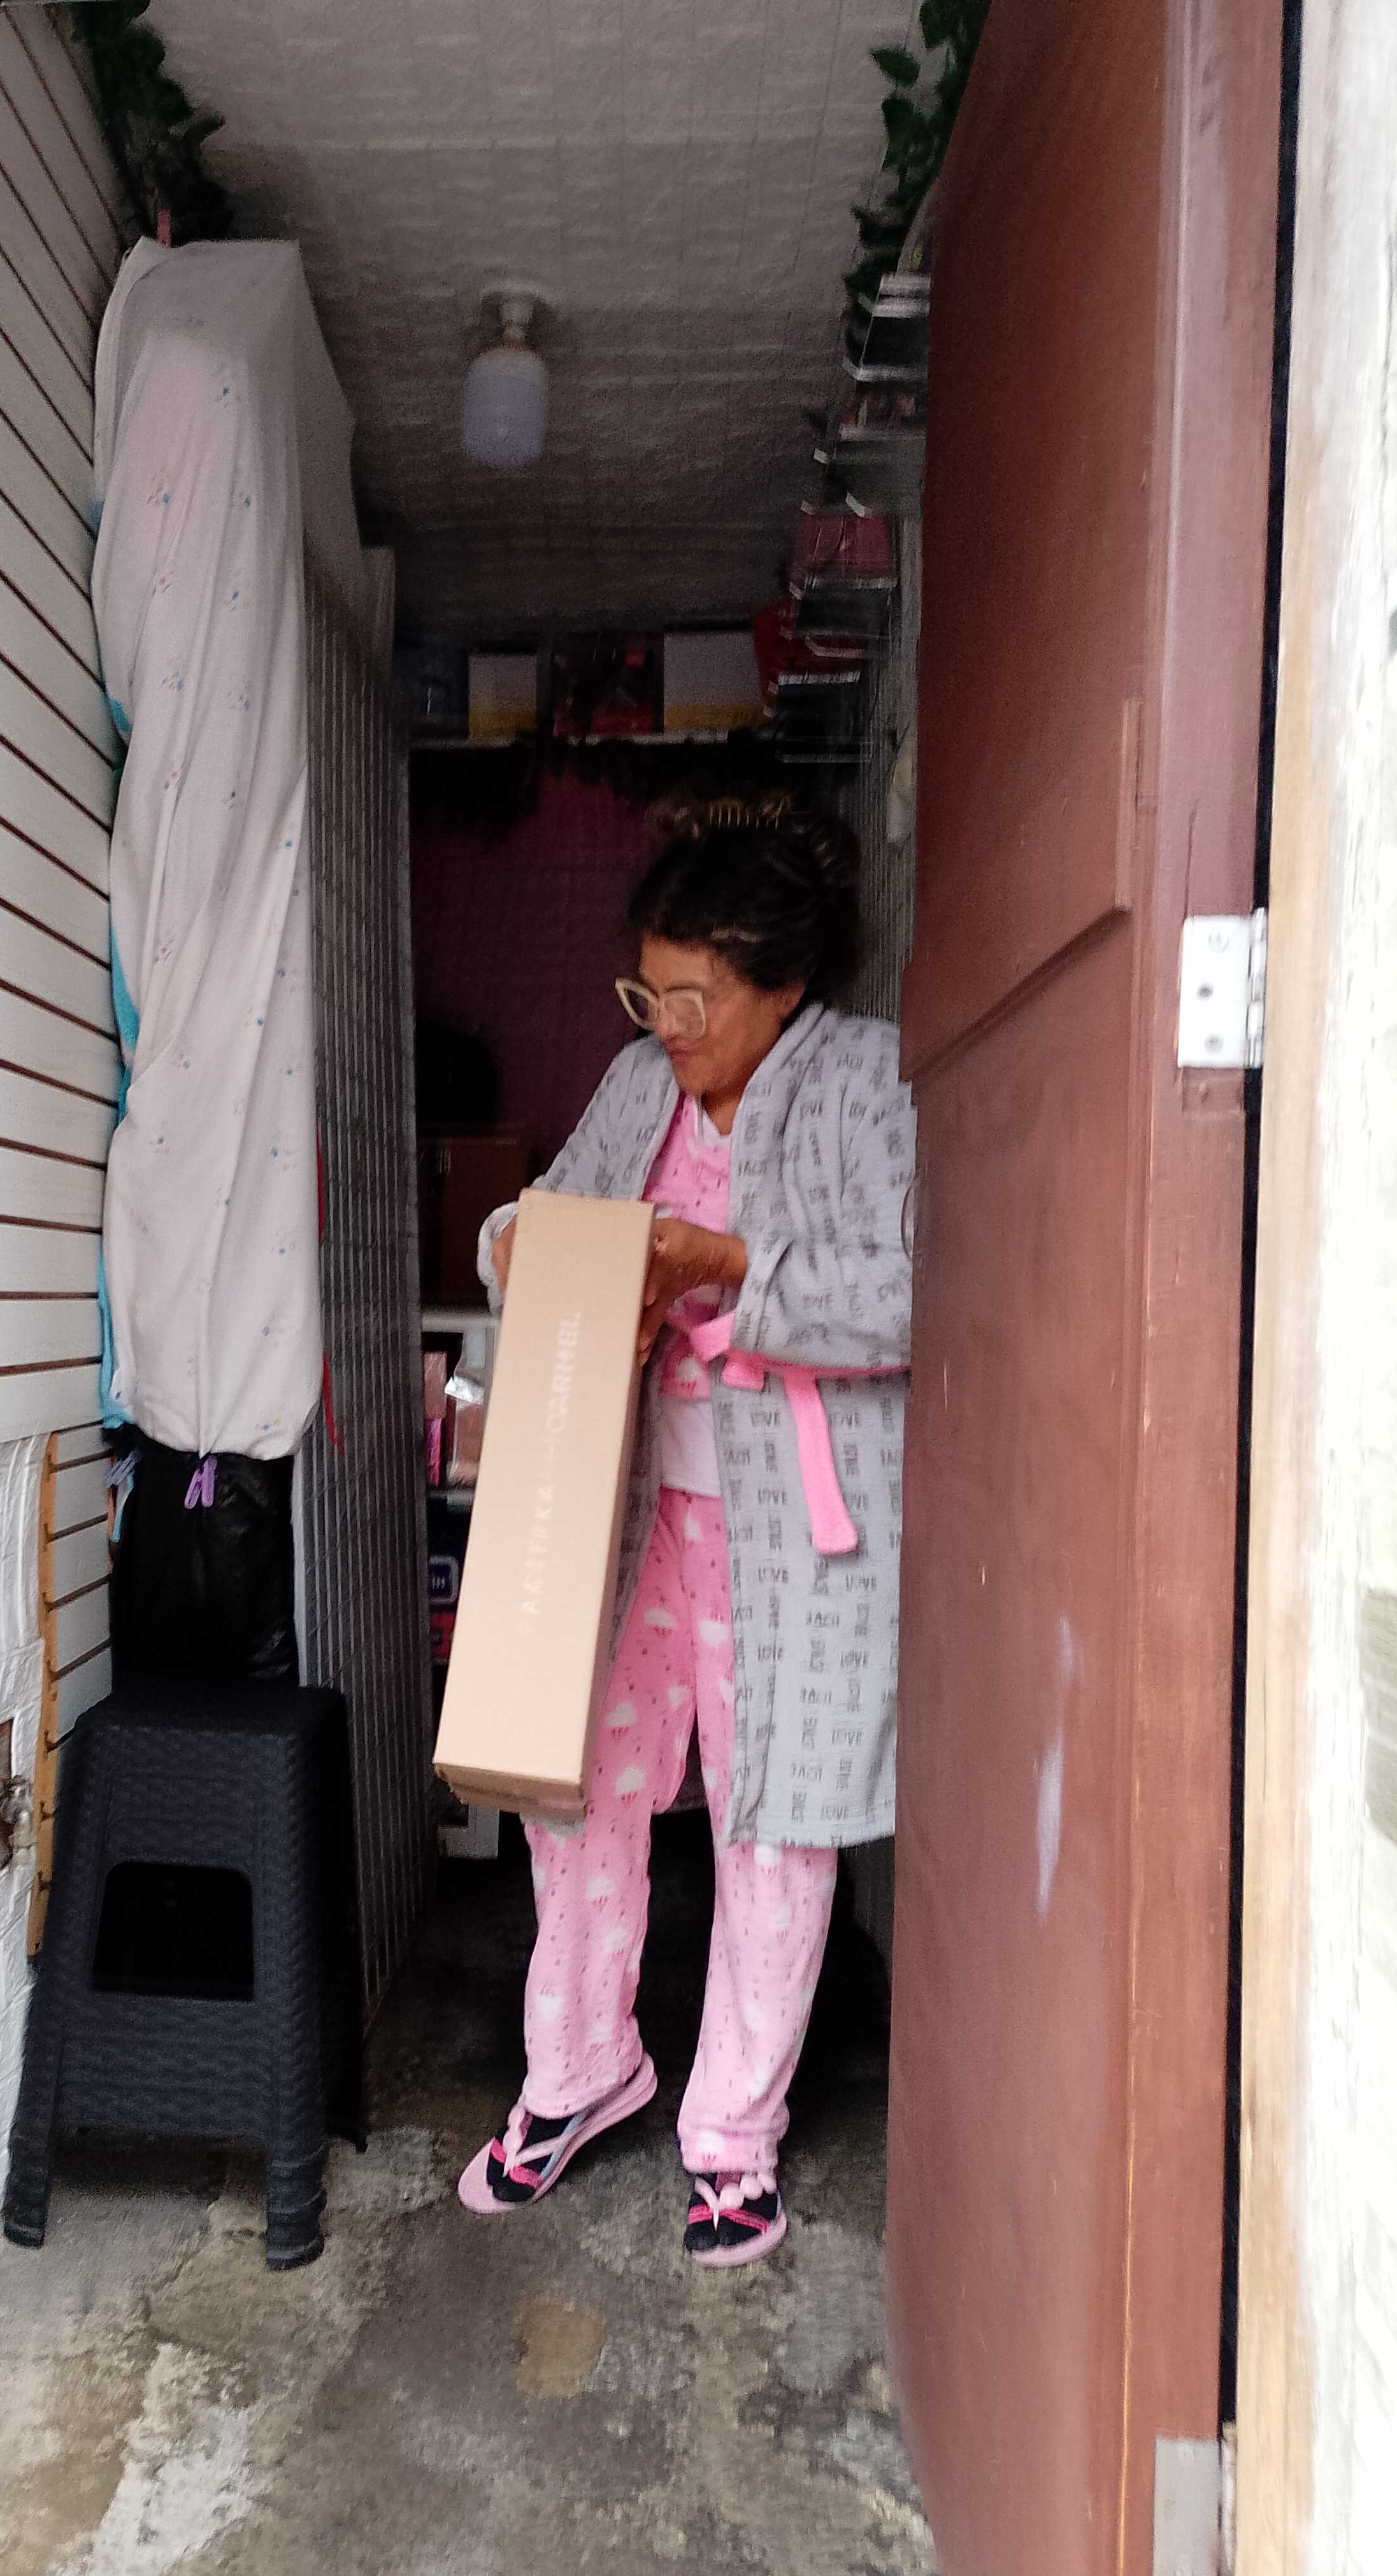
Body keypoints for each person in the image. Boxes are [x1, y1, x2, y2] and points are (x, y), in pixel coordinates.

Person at [457, 794, 915, 2268]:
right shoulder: (636, 1084)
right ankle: (579, 2069)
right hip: (635, 1512)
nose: (668, 1025)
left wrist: (727, 1266)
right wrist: (520, 1243)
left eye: (696, 998)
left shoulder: (865, 1080)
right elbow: (543, 1220)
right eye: (648, 993)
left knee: (774, 1823)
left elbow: (910, 1291)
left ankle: (733, 2139)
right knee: (577, 1782)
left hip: (798, 1538)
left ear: (785, 986)